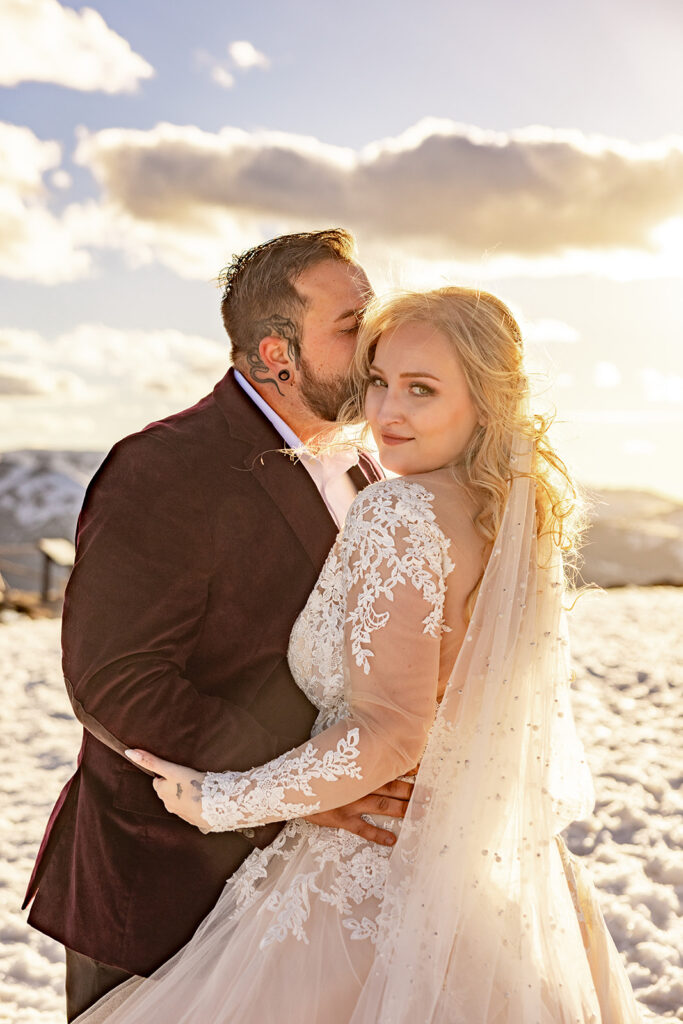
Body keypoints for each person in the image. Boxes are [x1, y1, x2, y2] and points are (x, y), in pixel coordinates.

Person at [73, 286, 642, 1023]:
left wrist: (219, 800)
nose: (385, 411)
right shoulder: (500, 507)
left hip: (369, 880)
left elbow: (390, 729)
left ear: (485, 402)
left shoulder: (398, 509)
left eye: (421, 389)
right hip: (478, 870)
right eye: (377, 380)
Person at [23, 229, 418, 1022]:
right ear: (278, 353)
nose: (376, 339)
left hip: (318, 894)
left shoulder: (362, 464)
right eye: (350, 325)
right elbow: (116, 681)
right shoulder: (163, 468)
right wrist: (303, 782)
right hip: (168, 886)